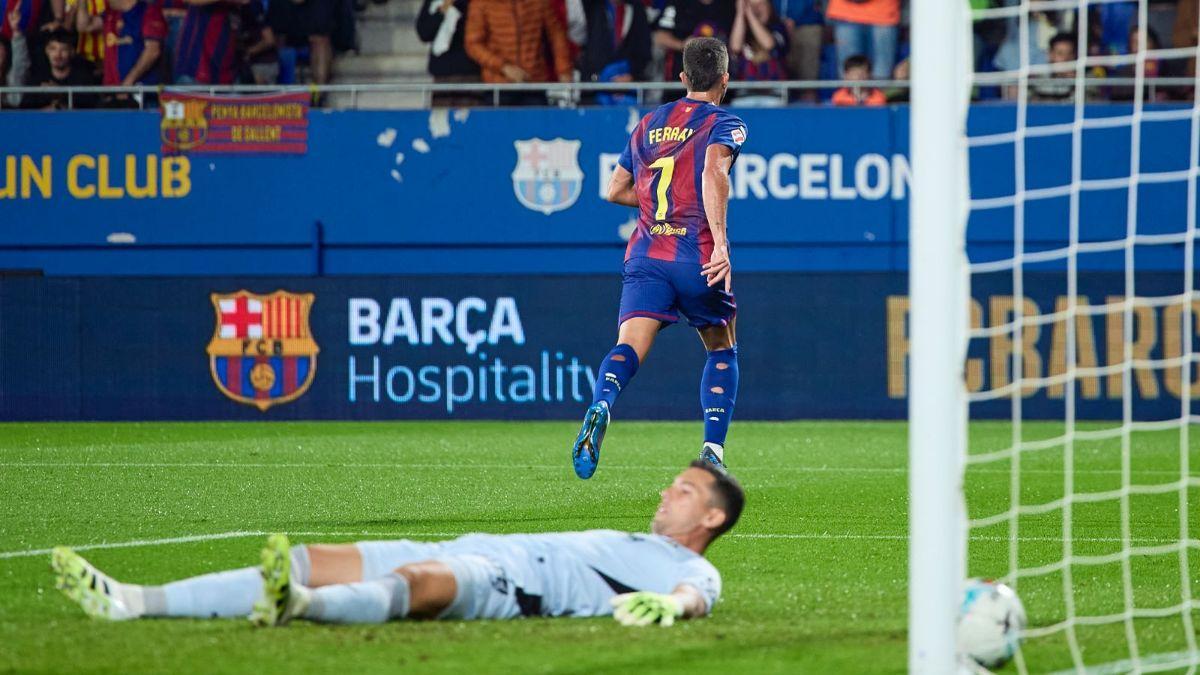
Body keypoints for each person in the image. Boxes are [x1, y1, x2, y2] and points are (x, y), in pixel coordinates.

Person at [51, 462, 744, 627]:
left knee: (421, 581)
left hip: (507, 583)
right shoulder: (637, 535)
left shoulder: (685, 566)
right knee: (308, 554)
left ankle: (307, 606)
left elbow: (697, 595)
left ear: (710, 519)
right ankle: (132, 600)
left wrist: (669, 606)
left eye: (683, 491)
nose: (665, 492)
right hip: (477, 543)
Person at [572, 37, 745, 479]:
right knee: (721, 346)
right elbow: (713, 171)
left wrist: (654, 206)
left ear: (683, 78)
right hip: (697, 255)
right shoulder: (726, 123)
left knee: (627, 345)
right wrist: (721, 242)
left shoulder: (649, 121)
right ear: (725, 80)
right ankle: (712, 449)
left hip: (647, 253)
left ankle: (602, 404)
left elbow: (614, 191)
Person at [463, 0, 573, 105]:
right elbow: (473, 44)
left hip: (534, 83)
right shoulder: (482, 3)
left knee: (536, 123)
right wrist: (504, 67)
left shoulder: (539, 2)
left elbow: (557, 35)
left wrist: (564, 71)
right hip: (498, 86)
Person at [5, 21, 97, 108]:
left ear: (72, 52)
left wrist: (61, 96)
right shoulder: (37, 80)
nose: (58, 54)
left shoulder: (83, 79)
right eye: (53, 49)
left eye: (63, 49)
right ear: (46, 51)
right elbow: (23, 114)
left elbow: (92, 113)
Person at [416, 0, 481, 107]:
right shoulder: (435, 2)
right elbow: (424, 33)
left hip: (471, 74)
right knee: (441, 120)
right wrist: (443, 9)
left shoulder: (475, 3)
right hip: (442, 75)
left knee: (471, 121)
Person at [101, 0, 166, 105]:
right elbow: (84, 25)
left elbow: (153, 51)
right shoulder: (110, 14)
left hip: (142, 93)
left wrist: (128, 83)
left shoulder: (149, 11)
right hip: (112, 92)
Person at [653, 0, 733, 83]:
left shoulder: (729, 5)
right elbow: (659, 37)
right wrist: (682, 45)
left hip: (720, 80)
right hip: (681, 79)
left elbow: (736, 46)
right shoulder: (677, 3)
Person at [727, 0, 788, 106]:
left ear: (770, 7)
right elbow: (735, 47)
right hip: (744, 95)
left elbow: (769, 44)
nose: (756, 9)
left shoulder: (779, 28)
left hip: (774, 95)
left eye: (761, 4)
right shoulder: (740, 30)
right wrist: (741, 13)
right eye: (751, 5)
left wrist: (750, 15)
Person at [824, 0, 897, 81]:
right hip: (845, 13)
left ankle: (880, 93)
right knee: (851, 74)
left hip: (884, 13)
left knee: (882, 75)